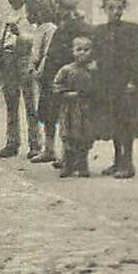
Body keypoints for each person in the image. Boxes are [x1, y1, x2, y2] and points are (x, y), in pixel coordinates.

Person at [91, 0, 138, 179]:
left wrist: (134, 82)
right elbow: (96, 56)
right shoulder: (99, 32)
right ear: (104, 9)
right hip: (107, 83)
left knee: (126, 123)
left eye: (119, 8)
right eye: (111, 8)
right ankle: (116, 161)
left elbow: (137, 59)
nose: (116, 12)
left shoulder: (132, 30)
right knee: (113, 122)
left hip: (126, 83)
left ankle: (128, 163)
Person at [34, 0, 86, 165]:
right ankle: (48, 149)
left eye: (58, 1)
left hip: (65, 74)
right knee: (48, 112)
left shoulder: (75, 25)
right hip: (51, 72)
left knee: (66, 115)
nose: (55, 6)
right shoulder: (60, 23)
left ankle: (67, 154)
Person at [0, 0, 39, 160]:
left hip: (24, 57)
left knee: (30, 102)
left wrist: (21, 34)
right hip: (8, 59)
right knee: (11, 101)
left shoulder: (31, 14)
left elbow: (36, 38)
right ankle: (12, 142)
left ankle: (35, 144)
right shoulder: (5, 14)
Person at [53, 35, 100, 178]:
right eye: (79, 49)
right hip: (69, 109)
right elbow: (56, 85)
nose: (82, 53)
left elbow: (98, 88)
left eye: (86, 50)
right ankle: (67, 165)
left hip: (86, 109)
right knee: (68, 136)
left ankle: (82, 164)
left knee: (85, 137)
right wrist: (66, 94)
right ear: (72, 51)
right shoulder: (66, 70)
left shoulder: (92, 71)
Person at [25, 0, 60, 163]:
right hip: (38, 71)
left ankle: (51, 148)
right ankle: (48, 148)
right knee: (44, 111)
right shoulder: (37, 29)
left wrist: (40, 70)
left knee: (51, 111)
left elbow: (47, 52)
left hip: (47, 72)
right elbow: (34, 51)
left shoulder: (50, 28)